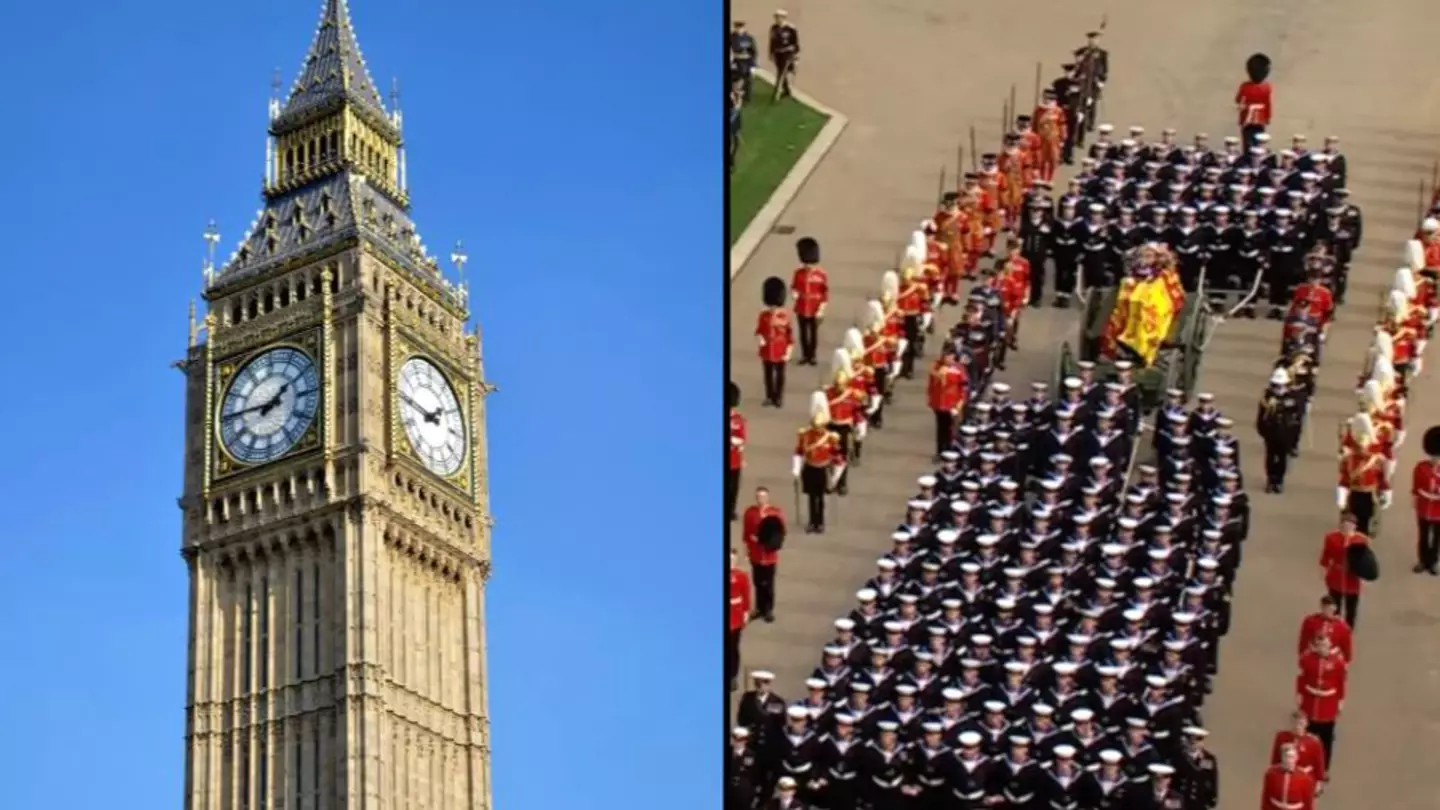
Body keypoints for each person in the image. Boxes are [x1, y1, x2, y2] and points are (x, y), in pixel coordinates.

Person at [1295, 634, 1347, 770]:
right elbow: (1301, 677)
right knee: (1307, 739)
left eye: (1324, 645)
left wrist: (1341, 700)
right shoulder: (1307, 659)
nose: (1322, 648)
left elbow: (1340, 682)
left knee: (1326, 741)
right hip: (1310, 704)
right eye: (1319, 646)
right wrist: (1299, 694)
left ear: (1329, 645)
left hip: (1327, 706)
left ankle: (1324, 768)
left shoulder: (1338, 662)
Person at [793, 392, 841, 533]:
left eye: (819, 427)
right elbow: (799, 452)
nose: (817, 429)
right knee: (811, 497)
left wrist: (835, 476)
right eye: (815, 426)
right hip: (809, 467)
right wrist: (796, 469)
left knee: (820, 498)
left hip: (822, 469)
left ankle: (820, 522)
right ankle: (812, 521)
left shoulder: (830, 437)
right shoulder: (805, 435)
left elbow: (837, 456)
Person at [742, 487, 786, 622]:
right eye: (758, 497)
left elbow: (779, 533)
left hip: (769, 556)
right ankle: (759, 608)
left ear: (767, 497)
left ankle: (768, 609)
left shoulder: (775, 513)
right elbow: (746, 532)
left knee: (768, 584)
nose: (761, 499)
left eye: (763, 496)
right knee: (758, 583)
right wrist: (748, 548)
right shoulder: (750, 513)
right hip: (755, 554)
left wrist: (767, 541)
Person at [1256, 368, 1301, 493]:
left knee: (1282, 458)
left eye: (1281, 385)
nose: (1279, 388)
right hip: (1271, 433)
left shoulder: (1291, 397)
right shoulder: (1267, 396)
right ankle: (1270, 480)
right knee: (1270, 457)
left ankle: (1279, 480)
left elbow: (1296, 419)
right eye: (1277, 385)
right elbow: (1261, 416)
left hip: (1285, 434)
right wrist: (1262, 431)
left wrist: (1294, 438)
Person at [1319, 514, 1367, 628]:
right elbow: (1326, 557)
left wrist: (1363, 575)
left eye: (1351, 525)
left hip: (1352, 578)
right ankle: (1334, 628)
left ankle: (1348, 630)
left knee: (1351, 609)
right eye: (1345, 524)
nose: (1347, 527)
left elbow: (1364, 561)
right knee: (1335, 606)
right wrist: (1323, 572)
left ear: (1355, 526)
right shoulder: (1331, 537)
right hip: (1336, 576)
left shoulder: (1361, 540)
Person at [790, 237, 829, 366]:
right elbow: (794, 287)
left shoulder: (821, 275)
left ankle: (812, 355)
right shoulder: (798, 273)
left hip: (814, 307)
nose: (807, 266)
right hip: (801, 307)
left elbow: (824, 293)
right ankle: (804, 355)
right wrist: (794, 294)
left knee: (813, 333)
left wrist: (821, 309)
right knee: (802, 333)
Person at [756, 276, 794, 407]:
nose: (772, 308)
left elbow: (789, 335)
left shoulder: (785, 316)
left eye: (774, 305)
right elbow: (759, 330)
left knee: (779, 376)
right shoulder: (763, 316)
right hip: (767, 350)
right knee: (768, 376)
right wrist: (760, 338)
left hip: (780, 349)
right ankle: (769, 396)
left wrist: (789, 350)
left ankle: (778, 397)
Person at [927, 343, 968, 460]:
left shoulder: (959, 368)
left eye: (950, 356)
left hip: (952, 403)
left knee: (951, 429)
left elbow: (964, 386)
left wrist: (960, 402)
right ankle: (939, 451)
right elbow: (932, 384)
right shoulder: (936, 366)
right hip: (939, 402)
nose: (948, 359)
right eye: (946, 356)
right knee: (940, 428)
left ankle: (949, 451)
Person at [1269, 710, 1328, 788]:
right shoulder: (1281, 737)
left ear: (1306, 724)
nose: (1297, 726)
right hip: (1285, 775)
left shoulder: (1313, 741)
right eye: (1295, 723)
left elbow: (1318, 763)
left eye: (1301, 724)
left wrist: (1318, 782)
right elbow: (1275, 758)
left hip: (1305, 778)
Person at [1410, 425, 1440, 575]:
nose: (1436, 460)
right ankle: (1422, 561)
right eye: (1434, 456)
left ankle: (1433, 562)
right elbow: (1416, 488)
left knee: (1436, 539)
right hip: (1423, 508)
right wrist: (1417, 499)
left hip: (1438, 511)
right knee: (1423, 536)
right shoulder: (1421, 468)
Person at [1296, 595, 1353, 664]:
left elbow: (1346, 651)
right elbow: (1304, 642)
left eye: (1329, 608)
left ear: (1335, 608)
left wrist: (1343, 663)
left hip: (1333, 662)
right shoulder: (1310, 622)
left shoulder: (1343, 628)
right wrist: (1303, 657)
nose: (1327, 610)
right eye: (1324, 607)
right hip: (1314, 659)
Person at [1260, 744, 1317, 810]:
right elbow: (1266, 797)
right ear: (1282, 757)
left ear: (1297, 758)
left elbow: (1308, 803)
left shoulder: (1305, 778)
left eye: (1291, 757)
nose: (1288, 760)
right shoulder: (1271, 774)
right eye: (1286, 757)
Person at [1235, 53, 1273, 150]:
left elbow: (1238, 99)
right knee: (1259, 140)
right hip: (1260, 118)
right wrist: (1268, 118)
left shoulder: (1245, 86)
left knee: (1247, 140)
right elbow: (1268, 104)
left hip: (1247, 118)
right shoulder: (1267, 87)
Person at [728, 548, 752, 691]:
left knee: (733, 649)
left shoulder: (741, 576)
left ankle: (732, 676)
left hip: (734, 618)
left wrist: (745, 613)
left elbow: (745, 595)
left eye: (732, 560)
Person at [768, 10, 800, 101]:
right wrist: (771, 53)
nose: (777, 19)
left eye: (779, 17)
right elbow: (772, 42)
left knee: (781, 73)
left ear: (783, 18)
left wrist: (795, 55)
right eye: (776, 17)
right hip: (777, 53)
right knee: (781, 72)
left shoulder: (791, 29)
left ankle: (776, 93)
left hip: (787, 54)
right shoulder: (773, 28)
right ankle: (787, 91)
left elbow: (795, 43)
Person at [728, 382, 746, 521]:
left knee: (733, 488)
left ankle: (731, 510)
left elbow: (742, 440)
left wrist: (732, 440)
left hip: (734, 459)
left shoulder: (738, 420)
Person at [730, 21, 758, 102]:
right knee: (735, 80)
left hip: (747, 62)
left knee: (748, 80)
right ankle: (735, 97)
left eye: (740, 28)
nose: (739, 29)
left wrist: (753, 65)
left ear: (744, 28)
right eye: (737, 28)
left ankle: (747, 98)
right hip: (736, 61)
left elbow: (754, 52)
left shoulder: (749, 38)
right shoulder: (731, 37)